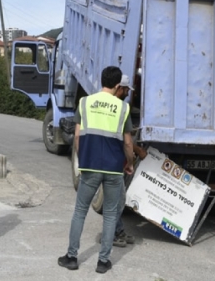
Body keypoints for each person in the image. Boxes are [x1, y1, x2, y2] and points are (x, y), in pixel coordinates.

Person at [58, 66, 135, 274]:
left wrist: (82, 160)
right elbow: (128, 144)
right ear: (118, 85)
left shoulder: (85, 103)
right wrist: (129, 163)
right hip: (113, 169)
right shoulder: (122, 108)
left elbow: (76, 137)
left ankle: (72, 257)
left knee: (80, 211)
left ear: (102, 81)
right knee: (110, 214)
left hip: (89, 166)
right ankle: (103, 262)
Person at [110, 74, 147, 247]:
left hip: (106, 160)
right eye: (126, 90)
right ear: (119, 88)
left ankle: (117, 230)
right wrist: (136, 153)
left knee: (117, 200)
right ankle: (112, 235)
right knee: (117, 201)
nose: (127, 93)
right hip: (113, 162)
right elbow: (124, 139)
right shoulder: (121, 108)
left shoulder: (105, 105)